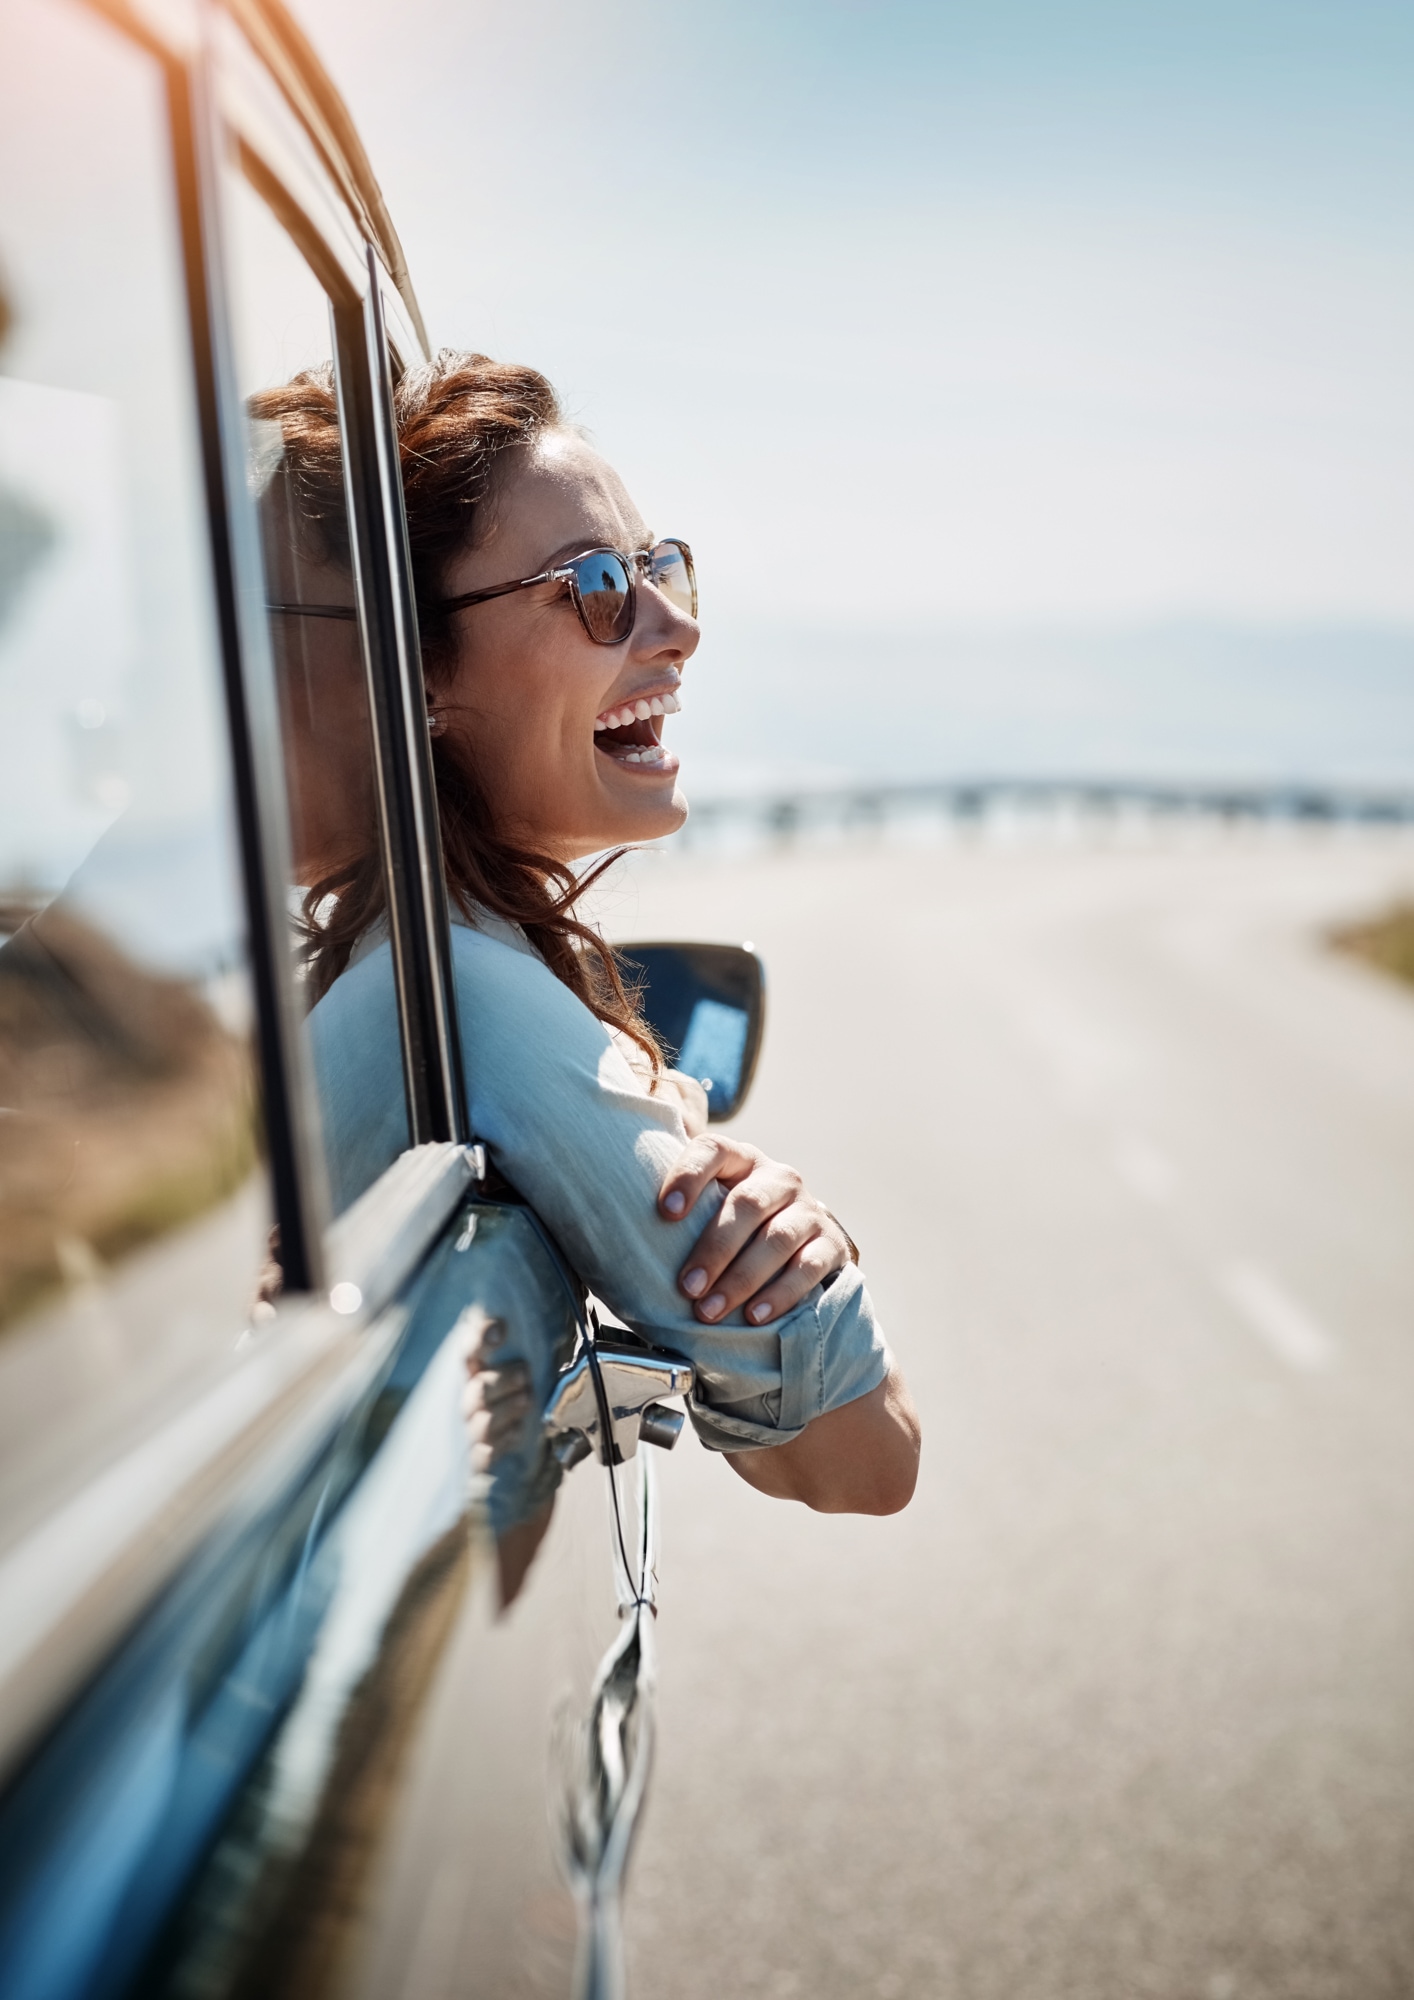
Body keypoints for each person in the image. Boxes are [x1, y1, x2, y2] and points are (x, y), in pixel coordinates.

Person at [271, 353, 919, 1515]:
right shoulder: (463, 990)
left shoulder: (402, 960)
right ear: (414, 671)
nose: (675, 627)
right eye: (599, 586)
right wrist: (811, 1250)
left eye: (664, 567)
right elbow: (865, 1461)